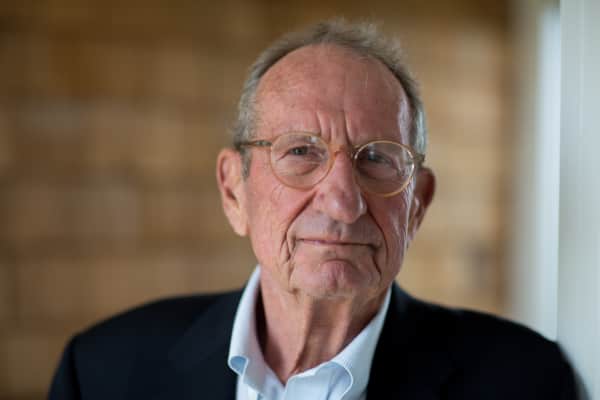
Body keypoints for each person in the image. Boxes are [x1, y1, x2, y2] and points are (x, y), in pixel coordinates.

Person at [49, 19, 577, 399]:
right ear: (234, 192)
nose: (343, 202)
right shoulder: (101, 373)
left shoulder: (523, 381)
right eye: (301, 151)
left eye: (378, 158)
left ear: (417, 205)